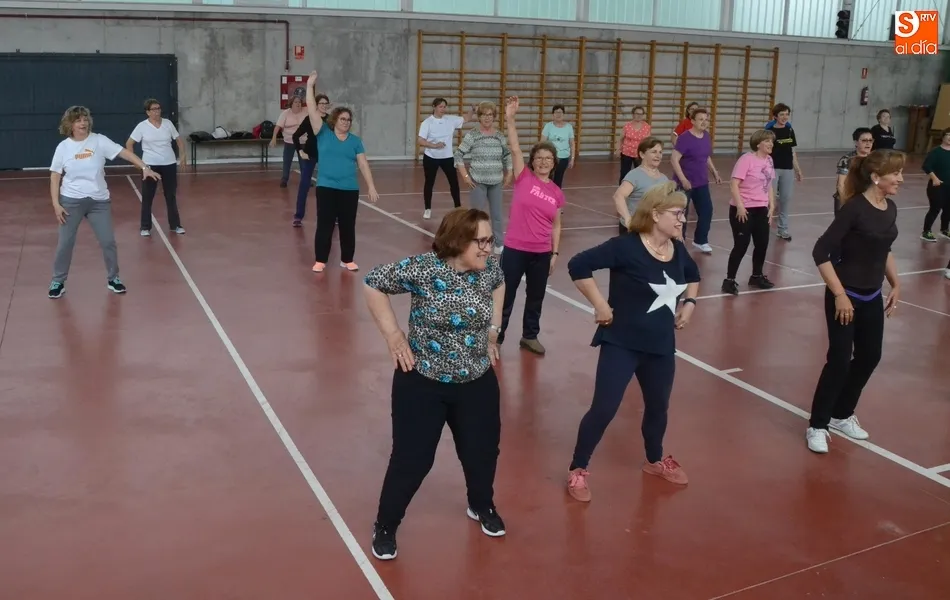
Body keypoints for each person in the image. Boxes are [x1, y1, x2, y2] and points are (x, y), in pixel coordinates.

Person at [362, 207, 507, 561]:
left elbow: (499, 285)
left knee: (482, 451)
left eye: (490, 240)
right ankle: (386, 524)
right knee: (413, 459)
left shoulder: (488, 268)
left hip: (476, 379)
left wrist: (493, 331)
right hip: (422, 381)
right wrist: (393, 336)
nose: (488, 248)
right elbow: (373, 282)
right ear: (458, 241)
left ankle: (481, 504)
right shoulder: (424, 269)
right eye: (481, 241)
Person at [564, 181, 701, 503]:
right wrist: (600, 304)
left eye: (683, 213)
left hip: (660, 346)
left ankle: (655, 460)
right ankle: (578, 468)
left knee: (658, 406)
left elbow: (693, 275)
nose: (682, 219)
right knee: (604, 408)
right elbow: (578, 265)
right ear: (655, 214)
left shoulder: (677, 249)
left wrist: (690, 304)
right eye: (677, 213)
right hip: (621, 343)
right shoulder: (625, 247)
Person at [806, 149, 904, 454]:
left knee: (869, 356)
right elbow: (820, 252)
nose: (900, 178)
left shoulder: (890, 208)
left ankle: (842, 414)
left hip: (871, 295)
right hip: (844, 296)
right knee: (838, 360)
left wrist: (896, 283)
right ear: (876, 177)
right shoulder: (854, 209)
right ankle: (817, 425)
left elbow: (885, 249)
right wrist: (840, 295)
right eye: (895, 173)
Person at [48, 105, 160, 299]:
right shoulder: (63, 147)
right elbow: (55, 176)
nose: (83, 123)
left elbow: (124, 153)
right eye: (78, 120)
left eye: (85, 119)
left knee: (108, 241)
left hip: (98, 202)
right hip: (71, 202)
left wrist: (144, 167)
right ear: (70, 124)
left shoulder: (99, 140)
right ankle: (58, 281)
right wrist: (56, 204)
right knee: (65, 243)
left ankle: (113, 278)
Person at [496, 96, 564, 355]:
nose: (543, 162)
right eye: (539, 158)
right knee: (506, 294)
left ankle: (529, 336)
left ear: (554, 163)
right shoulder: (523, 177)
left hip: (541, 252)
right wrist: (510, 119)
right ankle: (496, 336)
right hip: (515, 249)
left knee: (536, 296)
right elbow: (515, 149)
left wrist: (554, 253)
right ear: (532, 161)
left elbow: (556, 225)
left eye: (548, 158)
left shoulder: (557, 192)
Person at [304, 70, 380, 273]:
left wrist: (371, 186)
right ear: (334, 120)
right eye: (343, 119)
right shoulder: (323, 133)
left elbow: (363, 164)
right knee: (325, 225)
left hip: (349, 189)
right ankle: (320, 259)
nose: (346, 122)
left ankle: (347, 259)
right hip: (326, 187)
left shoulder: (355, 141)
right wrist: (310, 86)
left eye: (349, 120)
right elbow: (311, 108)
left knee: (348, 225)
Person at [721, 129, 776, 295]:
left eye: (771, 141)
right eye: (767, 141)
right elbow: (734, 184)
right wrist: (740, 206)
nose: (770, 144)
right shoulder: (746, 160)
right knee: (741, 245)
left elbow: (769, 185)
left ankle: (756, 276)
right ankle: (729, 280)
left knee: (762, 243)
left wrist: (771, 206)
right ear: (758, 144)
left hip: (761, 208)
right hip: (743, 209)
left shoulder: (769, 160)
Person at [454, 101, 512, 253]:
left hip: (496, 181)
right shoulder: (472, 135)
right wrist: (465, 176)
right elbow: (458, 155)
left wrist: (510, 172)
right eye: (484, 115)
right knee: (476, 216)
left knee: (497, 215)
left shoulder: (499, 136)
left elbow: (507, 155)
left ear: (494, 117)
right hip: (477, 181)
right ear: (479, 117)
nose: (487, 118)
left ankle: (499, 244)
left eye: (490, 115)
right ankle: (473, 243)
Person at [126, 98, 186, 237]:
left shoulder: (168, 123)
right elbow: (129, 143)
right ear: (148, 112)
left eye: (158, 108)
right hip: (150, 166)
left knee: (170, 195)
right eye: (153, 109)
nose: (157, 111)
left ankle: (175, 225)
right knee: (148, 197)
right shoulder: (142, 126)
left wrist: (183, 155)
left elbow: (179, 140)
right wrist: (136, 163)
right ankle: (145, 227)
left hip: (169, 164)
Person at [670, 107, 722, 253]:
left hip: (701, 182)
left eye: (706, 120)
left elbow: (706, 156)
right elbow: (674, 159)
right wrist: (683, 179)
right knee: (681, 214)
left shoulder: (706, 136)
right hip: (684, 183)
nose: (704, 122)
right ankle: (678, 241)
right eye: (700, 119)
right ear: (692, 121)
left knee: (706, 211)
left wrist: (714, 172)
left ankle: (701, 240)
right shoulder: (684, 138)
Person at [417, 98, 475, 220]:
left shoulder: (451, 120)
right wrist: (434, 145)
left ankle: (458, 207)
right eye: (440, 107)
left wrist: (473, 110)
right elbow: (420, 140)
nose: (443, 109)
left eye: (444, 107)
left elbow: (466, 118)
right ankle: (427, 209)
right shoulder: (427, 123)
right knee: (429, 183)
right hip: (431, 157)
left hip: (447, 158)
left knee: (454, 183)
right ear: (434, 107)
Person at [612, 136, 668, 236]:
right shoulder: (634, 175)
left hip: (654, 229)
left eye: (660, 152)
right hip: (634, 229)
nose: (658, 155)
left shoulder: (664, 179)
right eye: (654, 152)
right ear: (642, 154)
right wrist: (628, 220)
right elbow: (618, 196)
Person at [290, 92, 330, 227]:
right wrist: (300, 151)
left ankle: (331, 215)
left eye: (326, 103)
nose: (324, 106)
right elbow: (295, 136)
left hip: (325, 157)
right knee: (304, 185)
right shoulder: (309, 119)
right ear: (316, 105)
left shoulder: (331, 120)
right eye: (321, 103)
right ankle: (298, 216)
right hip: (310, 155)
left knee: (329, 186)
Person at [765, 103, 803, 241]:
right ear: (775, 116)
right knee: (769, 199)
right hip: (773, 169)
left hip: (787, 169)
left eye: (787, 114)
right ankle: (763, 227)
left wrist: (797, 169)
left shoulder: (790, 130)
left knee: (785, 199)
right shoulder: (769, 131)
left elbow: (792, 151)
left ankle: (783, 229)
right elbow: (764, 152)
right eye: (782, 114)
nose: (785, 117)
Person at [920, 127, 950, 242]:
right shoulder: (936, 152)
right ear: (943, 136)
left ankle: (944, 230)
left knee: (948, 209)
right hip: (937, 186)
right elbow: (926, 166)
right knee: (935, 208)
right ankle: (926, 231)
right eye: (948, 135)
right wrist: (935, 178)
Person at [540, 104, 575, 188]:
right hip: (550, 158)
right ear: (553, 114)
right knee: (547, 179)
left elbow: (572, 143)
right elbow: (542, 142)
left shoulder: (569, 127)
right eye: (556, 112)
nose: (558, 114)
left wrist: (572, 158)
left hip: (563, 158)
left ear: (563, 114)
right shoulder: (548, 126)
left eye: (560, 112)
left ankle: (556, 195)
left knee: (558, 179)